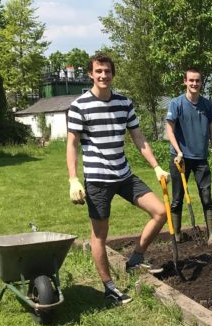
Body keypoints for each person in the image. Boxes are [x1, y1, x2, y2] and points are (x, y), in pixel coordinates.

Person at [66, 52, 170, 304]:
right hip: (98, 179)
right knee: (100, 235)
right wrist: (73, 178)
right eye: (98, 71)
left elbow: (138, 138)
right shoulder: (80, 106)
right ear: (91, 74)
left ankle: (135, 260)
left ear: (113, 74)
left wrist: (156, 166)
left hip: (124, 174)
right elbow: (72, 145)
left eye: (107, 71)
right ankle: (109, 287)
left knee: (161, 212)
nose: (103, 75)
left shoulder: (124, 103)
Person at [165, 67, 212, 245]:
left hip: (200, 160)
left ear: (201, 82)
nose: (194, 83)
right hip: (179, 159)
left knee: (206, 197)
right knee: (177, 198)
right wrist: (178, 151)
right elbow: (169, 130)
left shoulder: (207, 105)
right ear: (185, 82)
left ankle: (211, 235)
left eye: (197, 81)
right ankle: (177, 234)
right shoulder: (176, 104)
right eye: (191, 80)